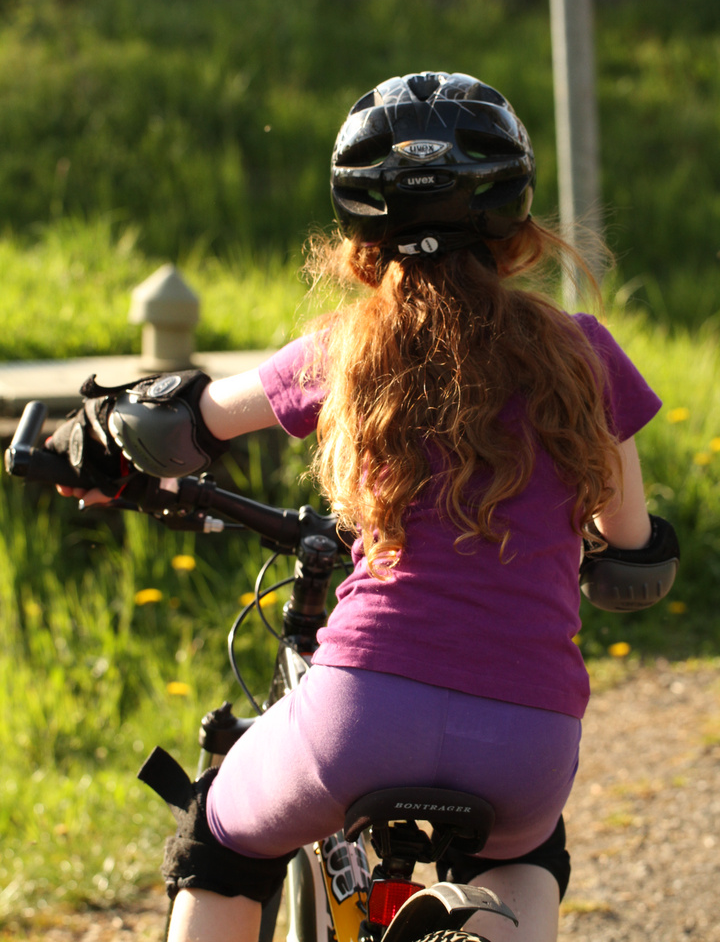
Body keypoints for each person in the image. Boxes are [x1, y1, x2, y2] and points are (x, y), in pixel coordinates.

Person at [50, 72, 678, 942]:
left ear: (361, 230)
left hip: (362, 716)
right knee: (527, 860)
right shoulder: (585, 355)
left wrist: (90, 433)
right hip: (529, 736)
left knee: (220, 839)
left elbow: (178, 423)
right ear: (515, 218)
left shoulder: (346, 350)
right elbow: (635, 550)